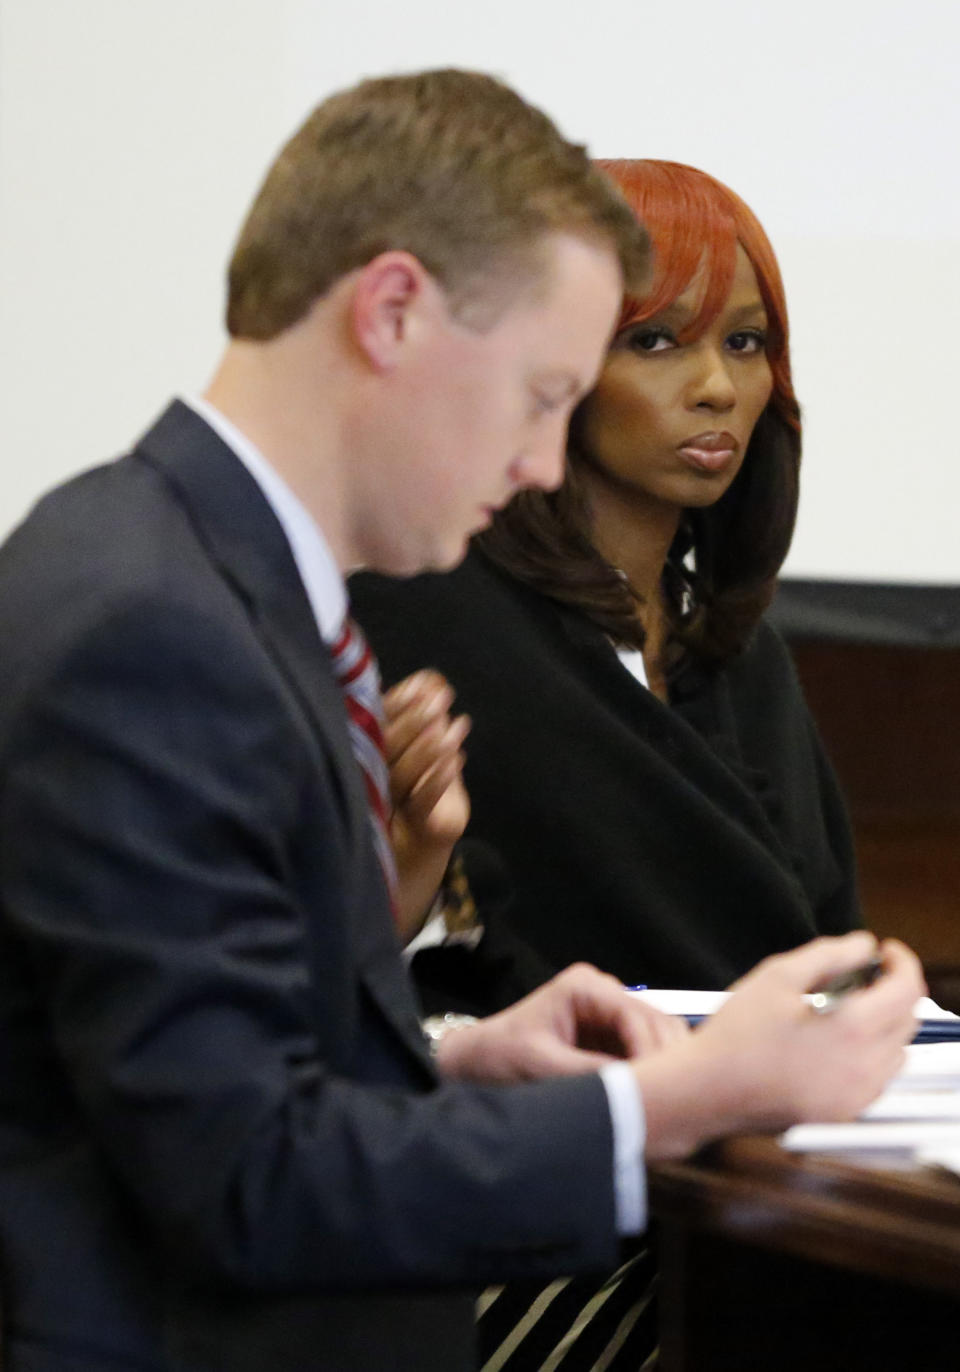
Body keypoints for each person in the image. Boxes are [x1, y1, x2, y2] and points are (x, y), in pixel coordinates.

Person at [0, 77, 922, 1372]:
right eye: (545, 391)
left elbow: (212, 1080)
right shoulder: (148, 627)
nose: (547, 466)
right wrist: (679, 1100)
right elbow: (246, 1185)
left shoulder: (178, 573)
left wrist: (456, 1061)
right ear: (391, 316)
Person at [352, 158, 861, 999]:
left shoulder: (743, 656)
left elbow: (831, 944)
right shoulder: (420, 619)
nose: (716, 388)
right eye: (655, 341)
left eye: (745, 343)